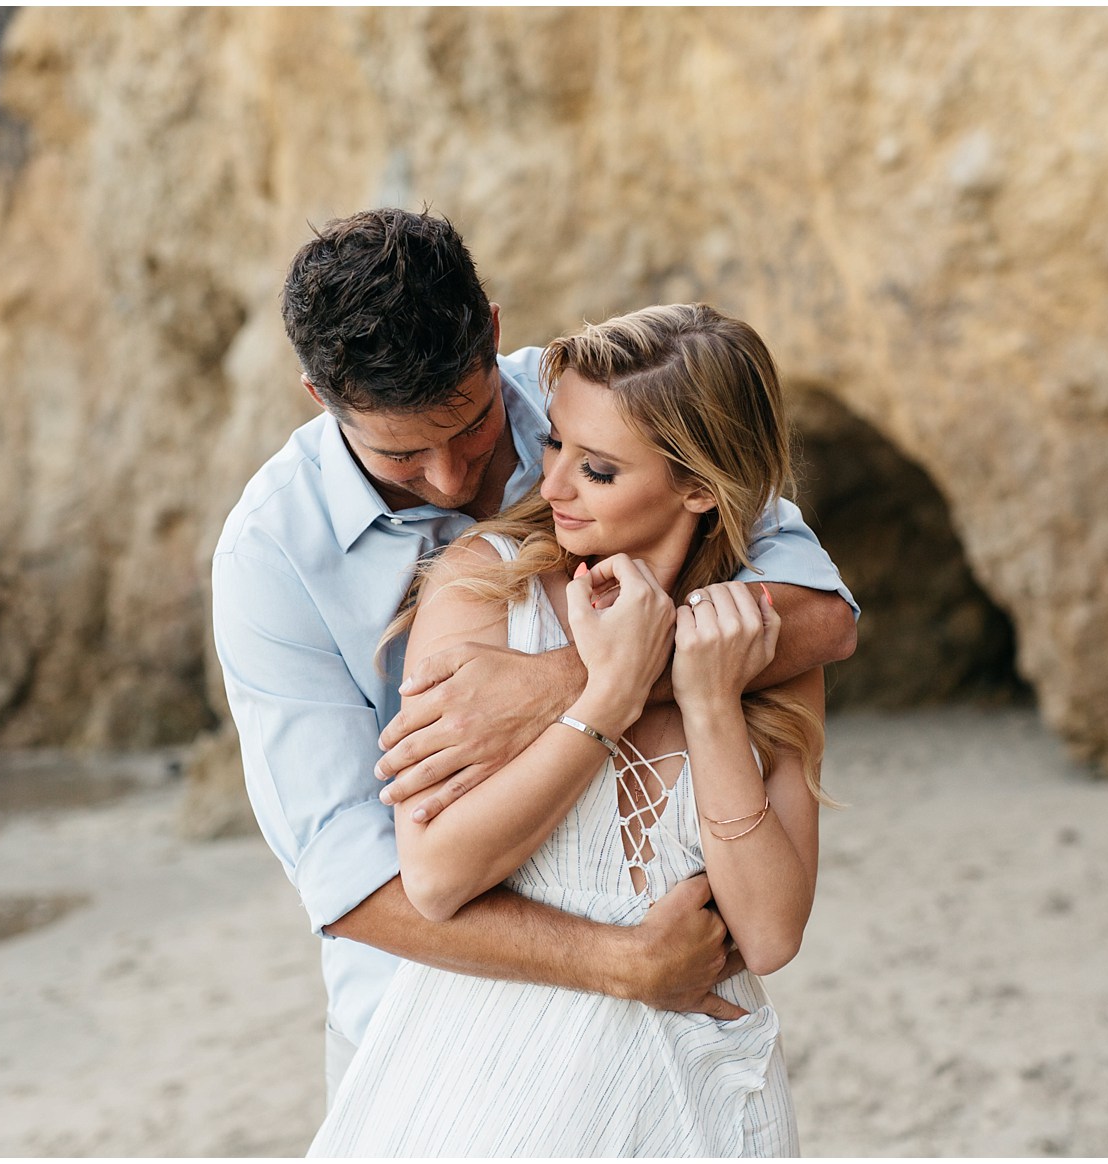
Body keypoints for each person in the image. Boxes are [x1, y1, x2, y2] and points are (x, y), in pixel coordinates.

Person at [210, 209, 858, 1106]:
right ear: (321, 399)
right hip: (427, 1028)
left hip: (676, 1051)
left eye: (472, 428)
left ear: (495, 333)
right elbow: (352, 879)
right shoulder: (271, 557)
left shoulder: (590, 409)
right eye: (401, 451)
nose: (449, 480)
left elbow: (821, 620)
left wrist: (561, 681)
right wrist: (618, 963)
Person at [308, 303, 828, 1156]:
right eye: (554, 445)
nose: (547, 487)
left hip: (691, 1100)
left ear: (699, 486)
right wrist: (607, 697)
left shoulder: (758, 636)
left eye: (598, 470)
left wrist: (704, 698)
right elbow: (436, 877)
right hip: (488, 1092)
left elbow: (769, 933)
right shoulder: (482, 589)